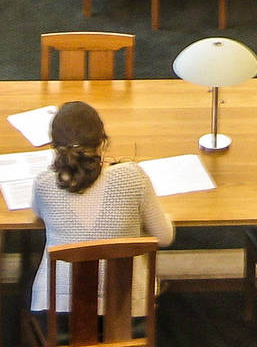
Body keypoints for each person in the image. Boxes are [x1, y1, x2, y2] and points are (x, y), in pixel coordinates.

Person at [29, 101, 174, 322]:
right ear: (102, 143)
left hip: (58, 314)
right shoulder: (132, 177)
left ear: (55, 147)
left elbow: (38, 213)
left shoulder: (44, 184)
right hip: (127, 312)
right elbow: (163, 237)